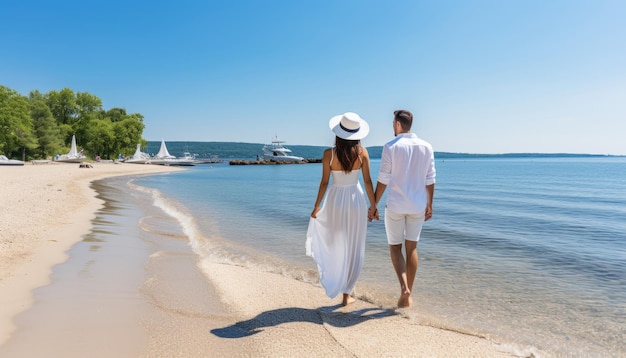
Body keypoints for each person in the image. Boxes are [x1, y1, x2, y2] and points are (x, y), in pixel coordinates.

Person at [306, 112, 377, 306]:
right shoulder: (362, 153)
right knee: (354, 244)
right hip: (356, 200)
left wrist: (316, 206)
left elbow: (324, 182)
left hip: (335, 200)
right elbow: (368, 182)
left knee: (336, 242)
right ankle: (347, 294)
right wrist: (374, 206)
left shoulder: (329, 154)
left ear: (338, 133)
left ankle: (337, 282)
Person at [370, 109, 436, 308]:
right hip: (417, 205)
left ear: (398, 125)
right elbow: (430, 179)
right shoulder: (427, 146)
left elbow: (383, 179)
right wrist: (429, 203)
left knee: (395, 247)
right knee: (412, 247)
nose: (392, 126)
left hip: (396, 206)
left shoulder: (390, 146)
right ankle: (410, 293)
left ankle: (403, 288)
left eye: (393, 123)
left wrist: (373, 204)